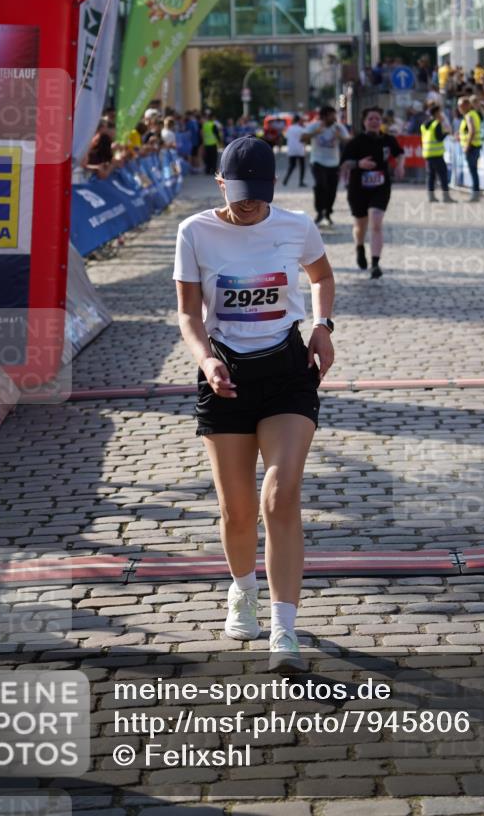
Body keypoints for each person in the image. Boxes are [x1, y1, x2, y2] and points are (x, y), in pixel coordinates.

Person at [173, 136, 335, 672]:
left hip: (287, 372)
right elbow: (189, 315)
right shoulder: (194, 232)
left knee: (280, 496)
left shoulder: (295, 226)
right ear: (221, 183)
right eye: (240, 193)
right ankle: (242, 590)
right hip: (226, 376)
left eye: (259, 195)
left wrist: (323, 327)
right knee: (237, 510)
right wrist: (204, 360)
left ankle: (284, 629)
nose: (250, 204)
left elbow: (322, 277)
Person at [340, 106, 405, 278]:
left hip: (381, 186)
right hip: (358, 188)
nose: (375, 122)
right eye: (371, 119)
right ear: (364, 122)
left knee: (376, 221)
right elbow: (344, 164)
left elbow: (400, 153)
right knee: (360, 225)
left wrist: (399, 165)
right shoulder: (355, 142)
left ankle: (375, 264)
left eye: (377, 118)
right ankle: (360, 247)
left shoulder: (388, 139)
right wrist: (359, 164)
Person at [301, 104, 349, 226]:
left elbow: (349, 141)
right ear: (324, 116)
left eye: (334, 115)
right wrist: (315, 133)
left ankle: (328, 212)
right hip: (317, 161)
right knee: (320, 185)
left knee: (332, 189)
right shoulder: (314, 126)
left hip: (334, 163)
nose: (334, 117)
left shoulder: (338, 127)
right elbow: (302, 138)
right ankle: (319, 211)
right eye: (332, 115)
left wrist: (340, 137)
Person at [420, 104, 453, 203]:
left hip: (427, 153)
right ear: (436, 113)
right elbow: (439, 138)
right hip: (437, 154)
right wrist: (446, 132)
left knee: (431, 176)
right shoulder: (436, 124)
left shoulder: (424, 125)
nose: (441, 114)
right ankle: (446, 196)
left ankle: (431, 197)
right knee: (443, 175)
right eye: (440, 112)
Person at [457, 96, 483, 202]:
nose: (459, 108)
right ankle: (475, 193)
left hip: (472, 147)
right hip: (474, 146)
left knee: (473, 171)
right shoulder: (473, 114)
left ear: (467, 105)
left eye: (461, 105)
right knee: (474, 171)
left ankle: (475, 194)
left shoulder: (469, 116)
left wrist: (467, 146)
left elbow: (472, 131)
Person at [282, 114, 307, 187]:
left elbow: (285, 136)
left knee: (291, 166)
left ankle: (285, 180)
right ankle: (301, 182)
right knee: (302, 166)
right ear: (299, 120)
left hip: (291, 149)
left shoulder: (289, 128)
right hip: (300, 149)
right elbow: (304, 138)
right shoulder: (301, 129)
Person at [201, 109, 223, 176]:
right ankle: (213, 170)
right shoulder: (213, 125)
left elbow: (202, 133)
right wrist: (220, 142)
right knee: (213, 158)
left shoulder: (205, 124)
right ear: (212, 118)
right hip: (213, 143)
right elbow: (216, 134)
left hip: (206, 143)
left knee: (207, 158)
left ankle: (207, 170)